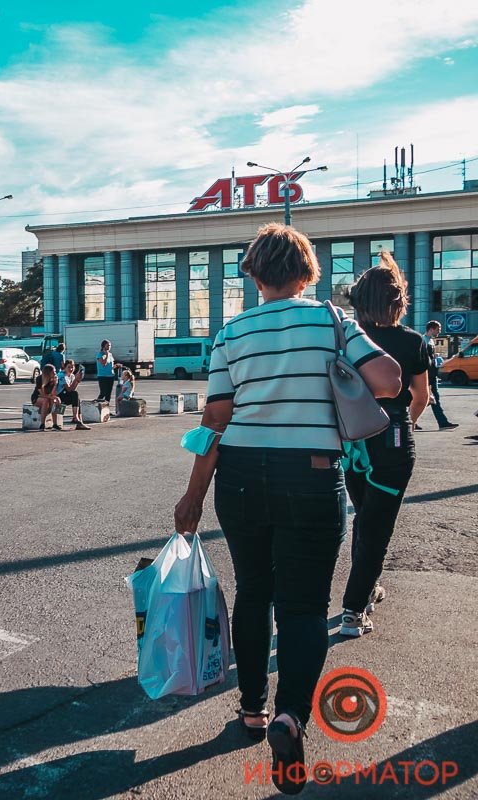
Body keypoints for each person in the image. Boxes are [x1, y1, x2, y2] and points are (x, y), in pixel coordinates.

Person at [172, 223, 400, 794]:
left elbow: (214, 423)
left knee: (253, 589)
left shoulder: (231, 332)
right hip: (313, 474)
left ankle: (250, 710)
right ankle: (290, 717)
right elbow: (390, 381)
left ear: (253, 274)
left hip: (241, 476)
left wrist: (193, 494)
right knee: (302, 608)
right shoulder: (332, 320)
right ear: (308, 272)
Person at [338, 255, 430, 637]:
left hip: (352, 443)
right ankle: (353, 611)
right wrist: (401, 424)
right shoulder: (411, 341)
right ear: (397, 302)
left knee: (365, 518)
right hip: (392, 440)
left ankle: (368, 587)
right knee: (376, 528)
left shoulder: (348, 337)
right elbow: (420, 396)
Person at [418, 321, 459, 432]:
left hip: (432, 374)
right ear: (431, 329)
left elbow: (429, 357)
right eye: (438, 329)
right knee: (433, 399)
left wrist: (436, 358)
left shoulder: (430, 340)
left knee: (425, 399)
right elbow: (422, 360)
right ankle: (442, 423)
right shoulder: (423, 340)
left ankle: (413, 420)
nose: (439, 331)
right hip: (427, 376)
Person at [60, 360, 91, 430]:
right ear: (64, 367)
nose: (71, 369)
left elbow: (73, 389)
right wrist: (75, 380)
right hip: (59, 396)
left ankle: (80, 421)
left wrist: (77, 380)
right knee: (75, 394)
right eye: (69, 367)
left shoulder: (72, 376)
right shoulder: (61, 375)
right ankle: (75, 417)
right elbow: (68, 389)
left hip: (66, 394)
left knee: (76, 397)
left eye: (72, 367)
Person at [33, 363, 62, 430]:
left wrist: (55, 384)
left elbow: (53, 394)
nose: (55, 373)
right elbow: (42, 394)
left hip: (48, 397)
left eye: (55, 371)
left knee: (53, 401)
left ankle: (55, 424)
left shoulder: (54, 379)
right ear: (48, 372)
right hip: (37, 397)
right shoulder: (40, 379)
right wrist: (52, 397)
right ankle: (42, 424)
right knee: (46, 400)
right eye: (53, 371)